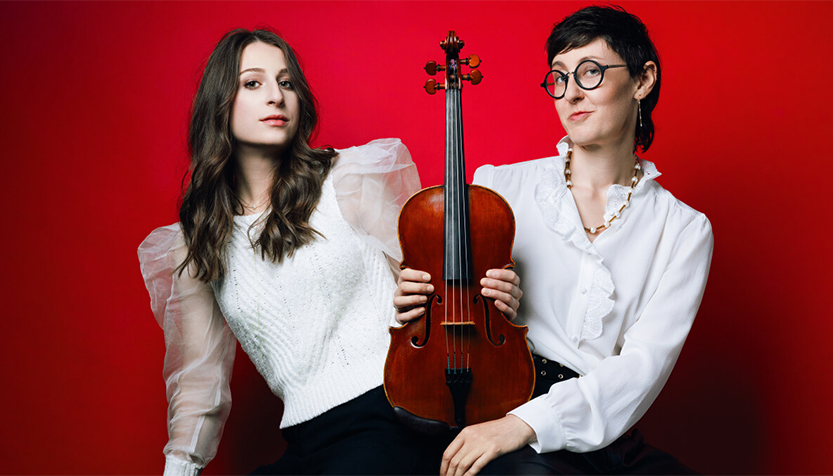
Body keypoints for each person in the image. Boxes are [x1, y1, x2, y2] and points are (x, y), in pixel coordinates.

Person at [137, 28, 521, 476]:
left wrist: (493, 297)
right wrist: (179, 468)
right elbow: (200, 385)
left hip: (391, 415)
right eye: (253, 83)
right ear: (219, 103)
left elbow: (439, 298)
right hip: (305, 440)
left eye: (286, 82)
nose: (276, 97)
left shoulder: (350, 178)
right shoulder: (198, 240)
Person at [395, 5, 714, 475]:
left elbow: (642, 367)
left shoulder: (684, 229)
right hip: (499, 402)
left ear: (643, 81)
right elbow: (447, 312)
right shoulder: (498, 190)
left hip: (600, 424)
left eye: (591, 73)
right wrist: (414, 302)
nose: (570, 95)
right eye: (559, 78)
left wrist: (524, 424)